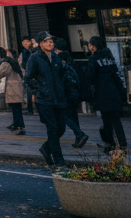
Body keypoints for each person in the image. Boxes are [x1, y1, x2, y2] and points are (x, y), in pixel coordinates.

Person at [24, 31, 67, 167]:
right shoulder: (35, 58)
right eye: (46, 41)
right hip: (44, 100)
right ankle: (59, 160)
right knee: (52, 129)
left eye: (51, 41)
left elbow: (61, 75)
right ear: (40, 44)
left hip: (58, 98)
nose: (50, 43)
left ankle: (46, 148)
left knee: (61, 128)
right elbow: (28, 78)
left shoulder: (56, 57)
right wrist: (40, 89)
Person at [85, 37, 127, 152]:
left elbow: (90, 76)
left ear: (92, 46)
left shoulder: (94, 58)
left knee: (107, 119)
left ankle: (111, 143)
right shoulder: (109, 56)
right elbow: (115, 73)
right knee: (115, 120)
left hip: (102, 91)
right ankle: (121, 144)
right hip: (114, 90)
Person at [56, 44, 89, 149]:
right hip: (74, 94)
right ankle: (78, 137)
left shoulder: (63, 68)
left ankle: (79, 134)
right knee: (73, 115)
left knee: (64, 115)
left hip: (66, 94)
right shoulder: (73, 64)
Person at [0, 47, 25, 134]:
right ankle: (16, 124)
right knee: (16, 108)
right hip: (17, 85)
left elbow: (1, 73)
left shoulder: (6, 62)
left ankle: (21, 127)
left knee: (16, 108)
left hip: (13, 87)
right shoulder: (12, 61)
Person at [19, 37, 37, 115]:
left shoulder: (34, 51)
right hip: (28, 73)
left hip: (34, 73)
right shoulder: (23, 52)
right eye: (24, 42)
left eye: (27, 41)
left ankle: (33, 108)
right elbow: (22, 63)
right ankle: (30, 109)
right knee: (29, 92)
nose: (25, 43)